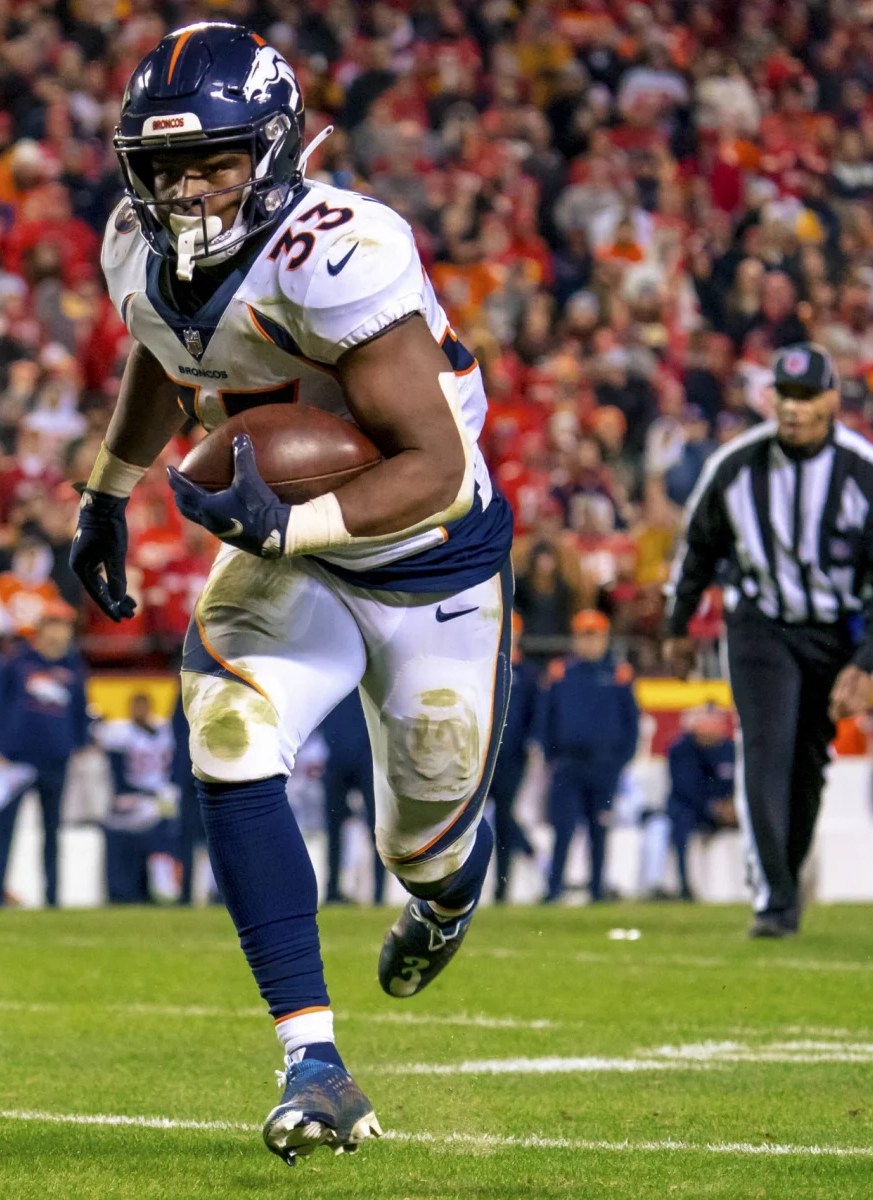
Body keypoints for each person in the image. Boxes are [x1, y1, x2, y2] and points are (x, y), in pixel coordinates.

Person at [70, 26, 515, 1159]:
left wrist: (289, 520)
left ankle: (445, 899)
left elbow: (434, 466)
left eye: (214, 162)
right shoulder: (134, 246)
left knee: (425, 846)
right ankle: (313, 1062)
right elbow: (168, 349)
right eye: (165, 167)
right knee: (226, 735)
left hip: (428, 558)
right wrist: (106, 492)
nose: (187, 191)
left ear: (272, 150)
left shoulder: (340, 248)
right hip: (293, 555)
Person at [665, 343, 873, 938]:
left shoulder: (866, 473)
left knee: (808, 764)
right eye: (785, 395)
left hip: (831, 631)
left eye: (806, 396)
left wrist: (869, 661)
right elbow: (697, 547)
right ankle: (773, 896)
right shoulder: (735, 466)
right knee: (766, 749)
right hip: (760, 624)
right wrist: (678, 624)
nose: (794, 408)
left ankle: (785, 881)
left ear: (832, 400)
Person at [0, 601, 88, 909]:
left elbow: (79, 710)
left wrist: (78, 744)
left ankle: (52, 897)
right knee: (5, 828)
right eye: (54, 625)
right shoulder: (18, 662)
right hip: (17, 760)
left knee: (52, 831)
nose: (59, 633)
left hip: (55, 760)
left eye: (64, 626)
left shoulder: (73, 666)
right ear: (41, 629)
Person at [531, 611, 640, 905]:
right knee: (563, 828)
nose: (589, 643)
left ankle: (597, 889)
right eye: (584, 636)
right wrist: (552, 757)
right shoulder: (560, 673)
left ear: (605, 639)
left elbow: (631, 722)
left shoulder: (619, 675)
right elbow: (545, 718)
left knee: (599, 829)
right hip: (568, 763)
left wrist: (621, 760)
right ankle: (554, 888)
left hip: (604, 763)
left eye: (595, 636)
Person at [98, 693, 179, 904]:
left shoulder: (164, 731)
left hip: (161, 795)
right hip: (134, 796)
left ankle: (163, 889)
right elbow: (116, 770)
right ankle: (125, 891)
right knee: (125, 838)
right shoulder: (121, 732)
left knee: (165, 839)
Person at [663, 704, 738, 902]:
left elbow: (739, 782)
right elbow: (686, 788)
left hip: (728, 809)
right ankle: (685, 885)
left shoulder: (730, 749)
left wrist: (733, 805)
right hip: (694, 808)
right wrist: (714, 807)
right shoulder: (681, 749)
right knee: (681, 820)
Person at [488, 615, 539, 905]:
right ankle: (462, 889)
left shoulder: (526, 673)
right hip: (480, 757)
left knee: (505, 818)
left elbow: (535, 713)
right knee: (470, 820)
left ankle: (502, 887)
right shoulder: (480, 667)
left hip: (511, 756)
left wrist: (532, 744)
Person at [317, 693, 380, 905]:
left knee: (378, 829)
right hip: (340, 754)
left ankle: (378, 895)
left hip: (366, 753)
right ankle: (332, 891)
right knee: (333, 828)